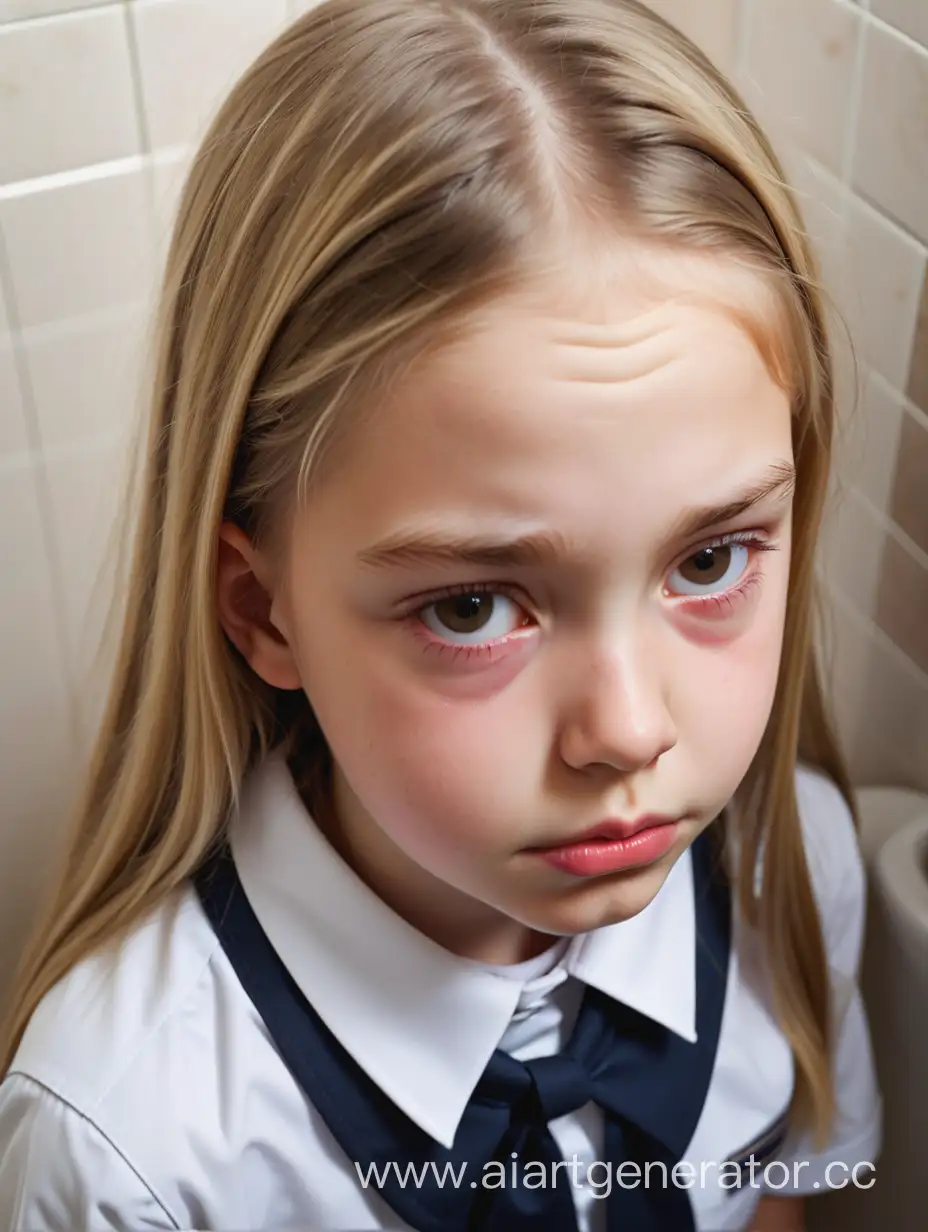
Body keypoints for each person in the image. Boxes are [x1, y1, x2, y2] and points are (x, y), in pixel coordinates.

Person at [0, 1, 881, 1229]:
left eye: (710, 558)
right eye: (472, 606)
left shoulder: (796, 864)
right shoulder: (128, 1148)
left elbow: (772, 1198)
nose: (626, 732)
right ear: (263, 608)